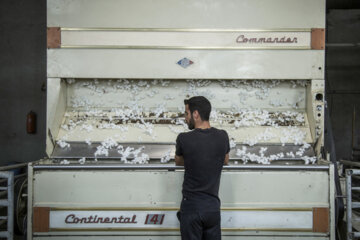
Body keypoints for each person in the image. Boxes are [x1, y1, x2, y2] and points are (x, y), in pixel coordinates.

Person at [175, 96, 230, 240]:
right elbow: (225, 160)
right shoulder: (223, 136)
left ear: (195, 114)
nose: (185, 118)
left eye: (186, 114)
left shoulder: (183, 138)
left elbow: (178, 162)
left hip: (191, 208)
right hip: (212, 208)